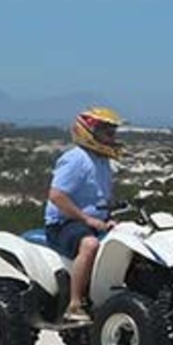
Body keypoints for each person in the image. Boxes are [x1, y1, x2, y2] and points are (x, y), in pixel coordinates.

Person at [45, 106, 123, 322]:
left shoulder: (104, 161)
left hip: (96, 222)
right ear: (90, 132)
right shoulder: (76, 159)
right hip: (65, 223)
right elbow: (57, 195)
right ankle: (75, 304)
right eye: (107, 132)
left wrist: (110, 217)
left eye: (113, 132)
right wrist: (88, 219)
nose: (112, 137)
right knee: (89, 245)